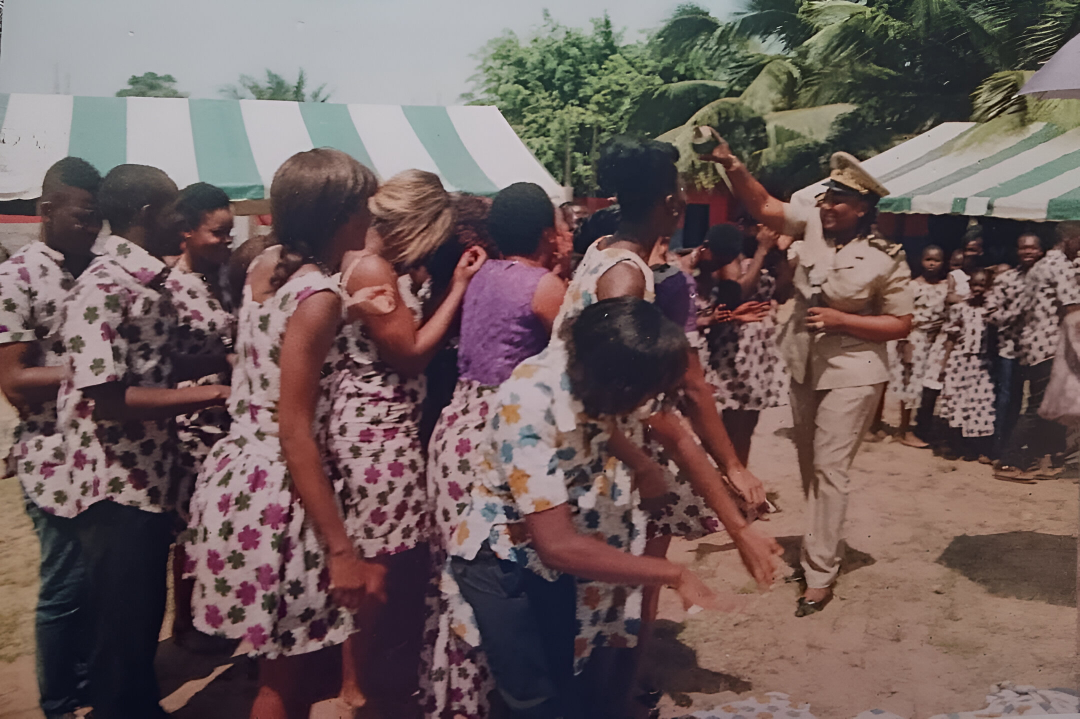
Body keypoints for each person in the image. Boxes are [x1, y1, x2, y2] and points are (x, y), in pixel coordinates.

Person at [449, 297, 726, 719]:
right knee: (533, 697)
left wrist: (641, 462)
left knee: (565, 678)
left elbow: (597, 417)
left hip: (549, 561)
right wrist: (674, 572)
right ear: (618, 384)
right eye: (645, 394)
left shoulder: (585, 368)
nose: (648, 406)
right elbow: (557, 545)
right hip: (502, 563)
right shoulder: (527, 405)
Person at [185, 149, 385, 719]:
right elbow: (295, 431)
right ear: (337, 216)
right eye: (362, 207)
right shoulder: (317, 295)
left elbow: (281, 340)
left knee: (272, 662)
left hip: (236, 479)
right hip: (281, 491)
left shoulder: (267, 265)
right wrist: (341, 550)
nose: (369, 219)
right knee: (282, 683)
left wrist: (349, 308)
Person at [700, 129, 914, 616]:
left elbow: (900, 322)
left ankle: (819, 572)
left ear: (862, 208)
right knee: (809, 465)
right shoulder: (810, 225)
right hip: (804, 364)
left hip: (854, 368)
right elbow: (765, 208)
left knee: (831, 467)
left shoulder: (887, 257)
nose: (829, 205)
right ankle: (820, 548)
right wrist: (731, 164)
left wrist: (844, 320)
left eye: (840, 199)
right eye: (828, 195)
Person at [52, 164, 231, 718]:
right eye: (177, 210)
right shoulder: (101, 288)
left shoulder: (143, 284)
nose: (182, 221)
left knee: (138, 618)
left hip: (149, 477)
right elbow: (107, 397)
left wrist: (231, 361)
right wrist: (213, 393)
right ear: (149, 214)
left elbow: (153, 364)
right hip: (114, 483)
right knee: (120, 630)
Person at [323, 169, 486, 717]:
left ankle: (358, 672)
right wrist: (459, 291)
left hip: (376, 424)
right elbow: (411, 351)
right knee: (377, 568)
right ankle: (353, 683)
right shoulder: (371, 266)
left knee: (379, 557)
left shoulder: (364, 263)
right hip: (377, 430)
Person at [423, 182, 569, 719]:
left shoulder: (480, 275)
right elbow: (576, 363)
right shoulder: (545, 286)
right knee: (505, 581)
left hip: (454, 428)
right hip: (502, 439)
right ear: (547, 235)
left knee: (461, 575)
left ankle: (454, 698)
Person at [0, 157, 102, 719]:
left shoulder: (97, 269)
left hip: (101, 457)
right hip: (49, 458)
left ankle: (85, 682)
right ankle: (60, 702)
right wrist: (98, 374)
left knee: (93, 586)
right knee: (64, 586)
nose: (92, 229)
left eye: (98, 219)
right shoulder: (18, 276)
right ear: (45, 211)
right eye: (83, 216)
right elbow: (14, 381)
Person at [164, 182, 238, 651]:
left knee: (217, 521)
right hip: (191, 419)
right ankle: (186, 623)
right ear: (186, 231)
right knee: (188, 526)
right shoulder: (169, 288)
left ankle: (215, 615)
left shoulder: (225, 279)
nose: (226, 241)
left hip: (226, 417)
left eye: (230, 233)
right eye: (218, 232)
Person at [995, 222, 1080, 480]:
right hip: (1050, 347)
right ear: (1070, 239)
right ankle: (1008, 461)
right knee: (1038, 408)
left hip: (1033, 347)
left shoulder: (1039, 267)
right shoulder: (1060, 266)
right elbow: (1073, 309)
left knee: (1046, 407)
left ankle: (1039, 457)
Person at [709, 223, 789, 465]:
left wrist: (781, 252)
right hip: (736, 344)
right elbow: (739, 292)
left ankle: (740, 477)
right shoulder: (734, 258)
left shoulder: (769, 262)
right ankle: (726, 475)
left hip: (760, 348)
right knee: (732, 421)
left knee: (749, 423)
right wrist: (762, 251)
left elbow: (784, 292)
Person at [987, 232, 1045, 463]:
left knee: (1037, 403)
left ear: (1041, 251)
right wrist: (1014, 313)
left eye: (1032, 248)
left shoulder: (1050, 279)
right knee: (1008, 399)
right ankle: (999, 449)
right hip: (1011, 349)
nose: (1028, 252)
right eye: (1023, 248)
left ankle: (1032, 451)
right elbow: (990, 313)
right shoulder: (1006, 279)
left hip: (1041, 352)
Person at [890, 245, 948, 448]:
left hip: (936, 341)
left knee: (928, 386)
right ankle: (904, 430)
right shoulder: (913, 286)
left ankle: (920, 427)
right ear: (921, 261)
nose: (932, 264)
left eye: (937, 260)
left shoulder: (945, 286)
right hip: (915, 339)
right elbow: (904, 315)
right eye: (928, 259)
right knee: (910, 384)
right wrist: (905, 343)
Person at [939, 268, 997, 461]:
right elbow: (951, 338)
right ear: (969, 286)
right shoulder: (960, 308)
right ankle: (956, 445)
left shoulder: (990, 312)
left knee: (979, 404)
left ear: (988, 287)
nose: (978, 289)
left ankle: (977, 447)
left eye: (982, 285)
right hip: (959, 361)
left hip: (980, 364)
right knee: (957, 402)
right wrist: (943, 364)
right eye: (975, 285)